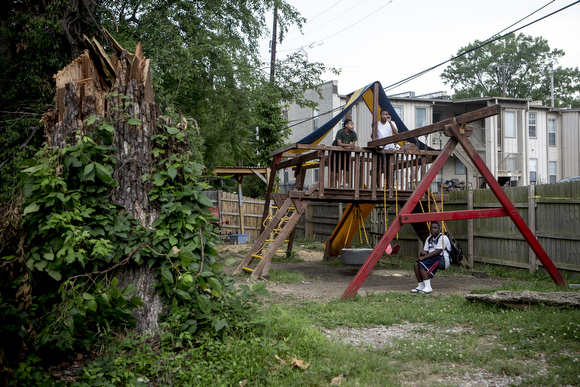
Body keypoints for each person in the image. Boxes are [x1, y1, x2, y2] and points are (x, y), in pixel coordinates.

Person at [411, 221, 450, 294]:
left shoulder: (443, 238)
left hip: (442, 258)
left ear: (439, 229)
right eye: (431, 228)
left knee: (422, 265)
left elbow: (438, 251)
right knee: (416, 263)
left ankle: (428, 287)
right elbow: (426, 251)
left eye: (435, 228)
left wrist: (424, 257)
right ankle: (421, 285)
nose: (433, 230)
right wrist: (423, 253)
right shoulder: (429, 238)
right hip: (433, 257)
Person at [374, 110, 398, 187]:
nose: (385, 116)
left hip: (389, 148)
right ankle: (378, 185)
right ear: (380, 114)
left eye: (386, 114)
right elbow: (372, 136)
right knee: (378, 168)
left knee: (389, 167)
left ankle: (389, 185)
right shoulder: (377, 124)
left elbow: (396, 133)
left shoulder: (392, 123)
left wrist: (390, 122)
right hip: (380, 149)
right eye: (383, 114)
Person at [331, 119, 357, 187]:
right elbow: (339, 143)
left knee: (347, 168)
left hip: (345, 151)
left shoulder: (353, 133)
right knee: (336, 169)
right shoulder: (340, 132)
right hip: (336, 151)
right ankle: (339, 184)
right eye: (351, 124)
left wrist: (352, 145)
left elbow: (353, 143)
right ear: (346, 125)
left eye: (353, 125)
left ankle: (345, 183)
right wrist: (349, 145)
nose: (352, 126)